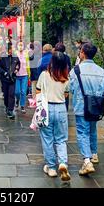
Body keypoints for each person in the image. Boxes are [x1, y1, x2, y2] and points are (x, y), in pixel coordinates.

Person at [69, 42, 104, 176]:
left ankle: (87, 161)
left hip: (81, 106)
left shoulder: (76, 70)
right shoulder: (102, 71)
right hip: (96, 108)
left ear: (82, 53)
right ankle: (94, 154)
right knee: (92, 129)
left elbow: (70, 89)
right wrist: (100, 99)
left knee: (83, 132)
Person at [36, 51, 71, 181]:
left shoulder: (44, 75)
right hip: (61, 108)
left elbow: (38, 91)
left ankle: (51, 167)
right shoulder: (66, 77)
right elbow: (66, 94)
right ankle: (62, 162)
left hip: (47, 108)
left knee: (47, 139)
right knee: (61, 139)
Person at [0, 42, 20, 120]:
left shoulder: (16, 57)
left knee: (11, 94)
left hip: (12, 79)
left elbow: (18, 65)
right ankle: (7, 106)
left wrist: (17, 70)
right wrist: (5, 73)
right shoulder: (3, 57)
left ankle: (10, 110)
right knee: (6, 94)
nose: (12, 50)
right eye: (11, 49)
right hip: (4, 79)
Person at [14, 41, 30, 114]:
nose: (20, 46)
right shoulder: (15, 53)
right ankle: (17, 100)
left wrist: (29, 73)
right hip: (17, 75)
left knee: (23, 91)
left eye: (22, 45)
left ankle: (22, 105)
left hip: (24, 75)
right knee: (17, 91)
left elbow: (28, 63)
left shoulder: (26, 53)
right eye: (19, 45)